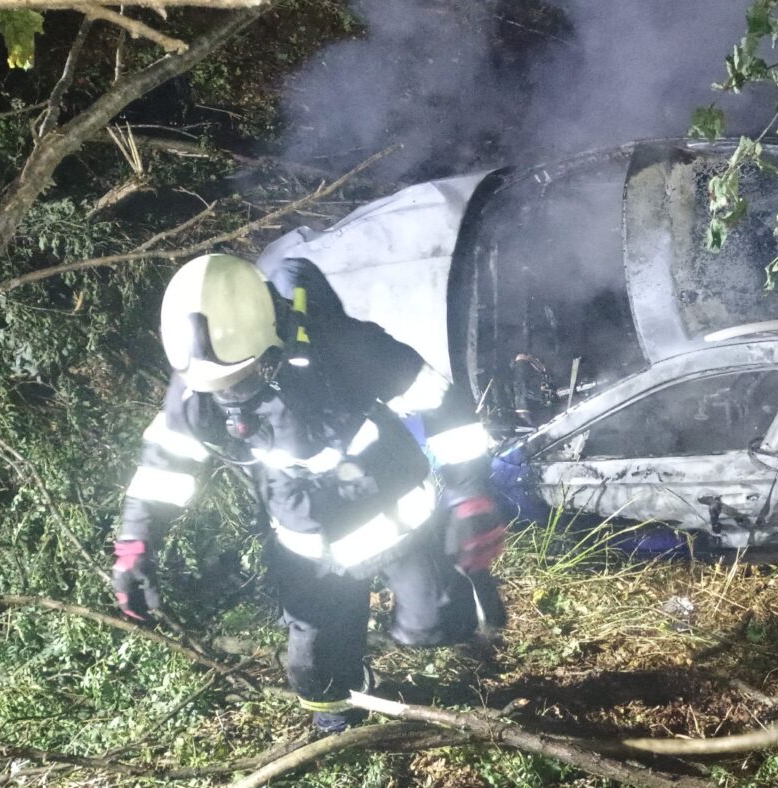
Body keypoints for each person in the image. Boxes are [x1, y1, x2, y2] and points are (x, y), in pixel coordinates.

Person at [111, 253, 508, 733]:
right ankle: (340, 722)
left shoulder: (342, 345)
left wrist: (469, 496)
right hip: (308, 539)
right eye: (221, 388)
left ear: (270, 342)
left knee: (437, 623)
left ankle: (463, 591)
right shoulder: (196, 390)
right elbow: (164, 467)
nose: (232, 398)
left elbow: (445, 406)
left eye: (244, 378)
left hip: (398, 515)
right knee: (315, 667)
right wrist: (135, 545)